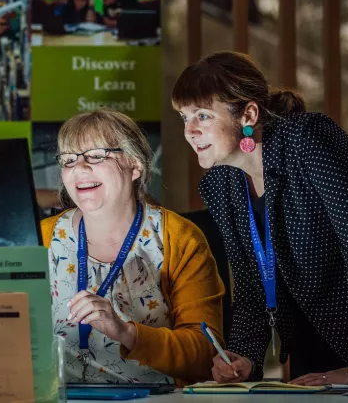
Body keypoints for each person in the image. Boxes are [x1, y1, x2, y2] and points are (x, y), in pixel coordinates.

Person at [172, 51, 348, 386]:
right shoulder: (220, 185)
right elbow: (252, 288)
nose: (190, 131)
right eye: (184, 117)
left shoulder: (308, 140)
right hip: (316, 348)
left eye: (202, 115)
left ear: (249, 114)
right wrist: (244, 355)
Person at [41, 109, 224, 385]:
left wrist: (127, 332)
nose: (79, 169)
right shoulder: (42, 237)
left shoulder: (179, 237)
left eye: (96, 156)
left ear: (135, 166)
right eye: (68, 160)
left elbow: (206, 353)